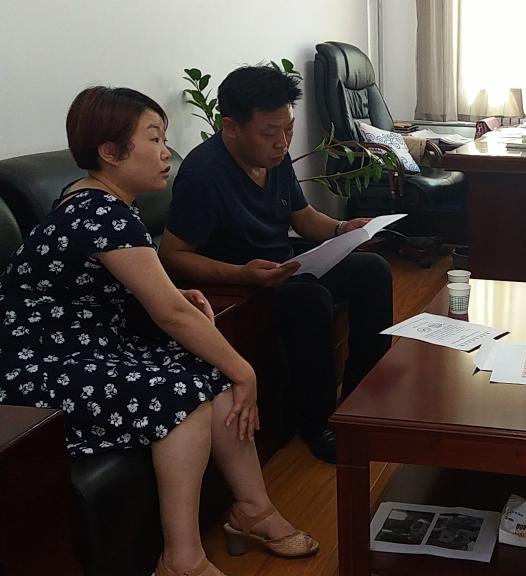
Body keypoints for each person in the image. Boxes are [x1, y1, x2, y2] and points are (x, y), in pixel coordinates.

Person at [0, 87, 317, 576]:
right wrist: (245, 370)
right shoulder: (99, 210)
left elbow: (110, 286)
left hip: (88, 346)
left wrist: (176, 294)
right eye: (154, 138)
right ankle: (181, 561)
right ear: (111, 152)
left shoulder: (101, 201)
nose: (166, 151)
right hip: (35, 368)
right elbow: (169, 314)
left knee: (213, 375)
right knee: (183, 395)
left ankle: (253, 511)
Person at [158, 65, 394, 463]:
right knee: (310, 300)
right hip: (242, 286)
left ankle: (363, 398)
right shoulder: (203, 174)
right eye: (270, 132)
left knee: (372, 270)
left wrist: (343, 229)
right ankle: (316, 424)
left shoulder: (274, 156)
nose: (283, 141)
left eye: (288, 128)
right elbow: (173, 255)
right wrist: (242, 273)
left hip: (284, 268)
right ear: (231, 127)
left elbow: (302, 217)